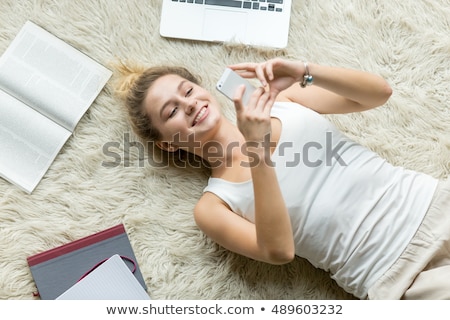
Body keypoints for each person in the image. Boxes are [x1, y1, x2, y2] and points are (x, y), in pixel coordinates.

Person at [114, 58, 450, 300]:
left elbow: (379, 94)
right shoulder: (213, 207)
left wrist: (303, 71)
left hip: (434, 205)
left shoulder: (284, 103)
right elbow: (278, 251)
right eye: (171, 111)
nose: (188, 104)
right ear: (167, 144)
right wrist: (257, 149)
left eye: (187, 91)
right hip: (394, 276)